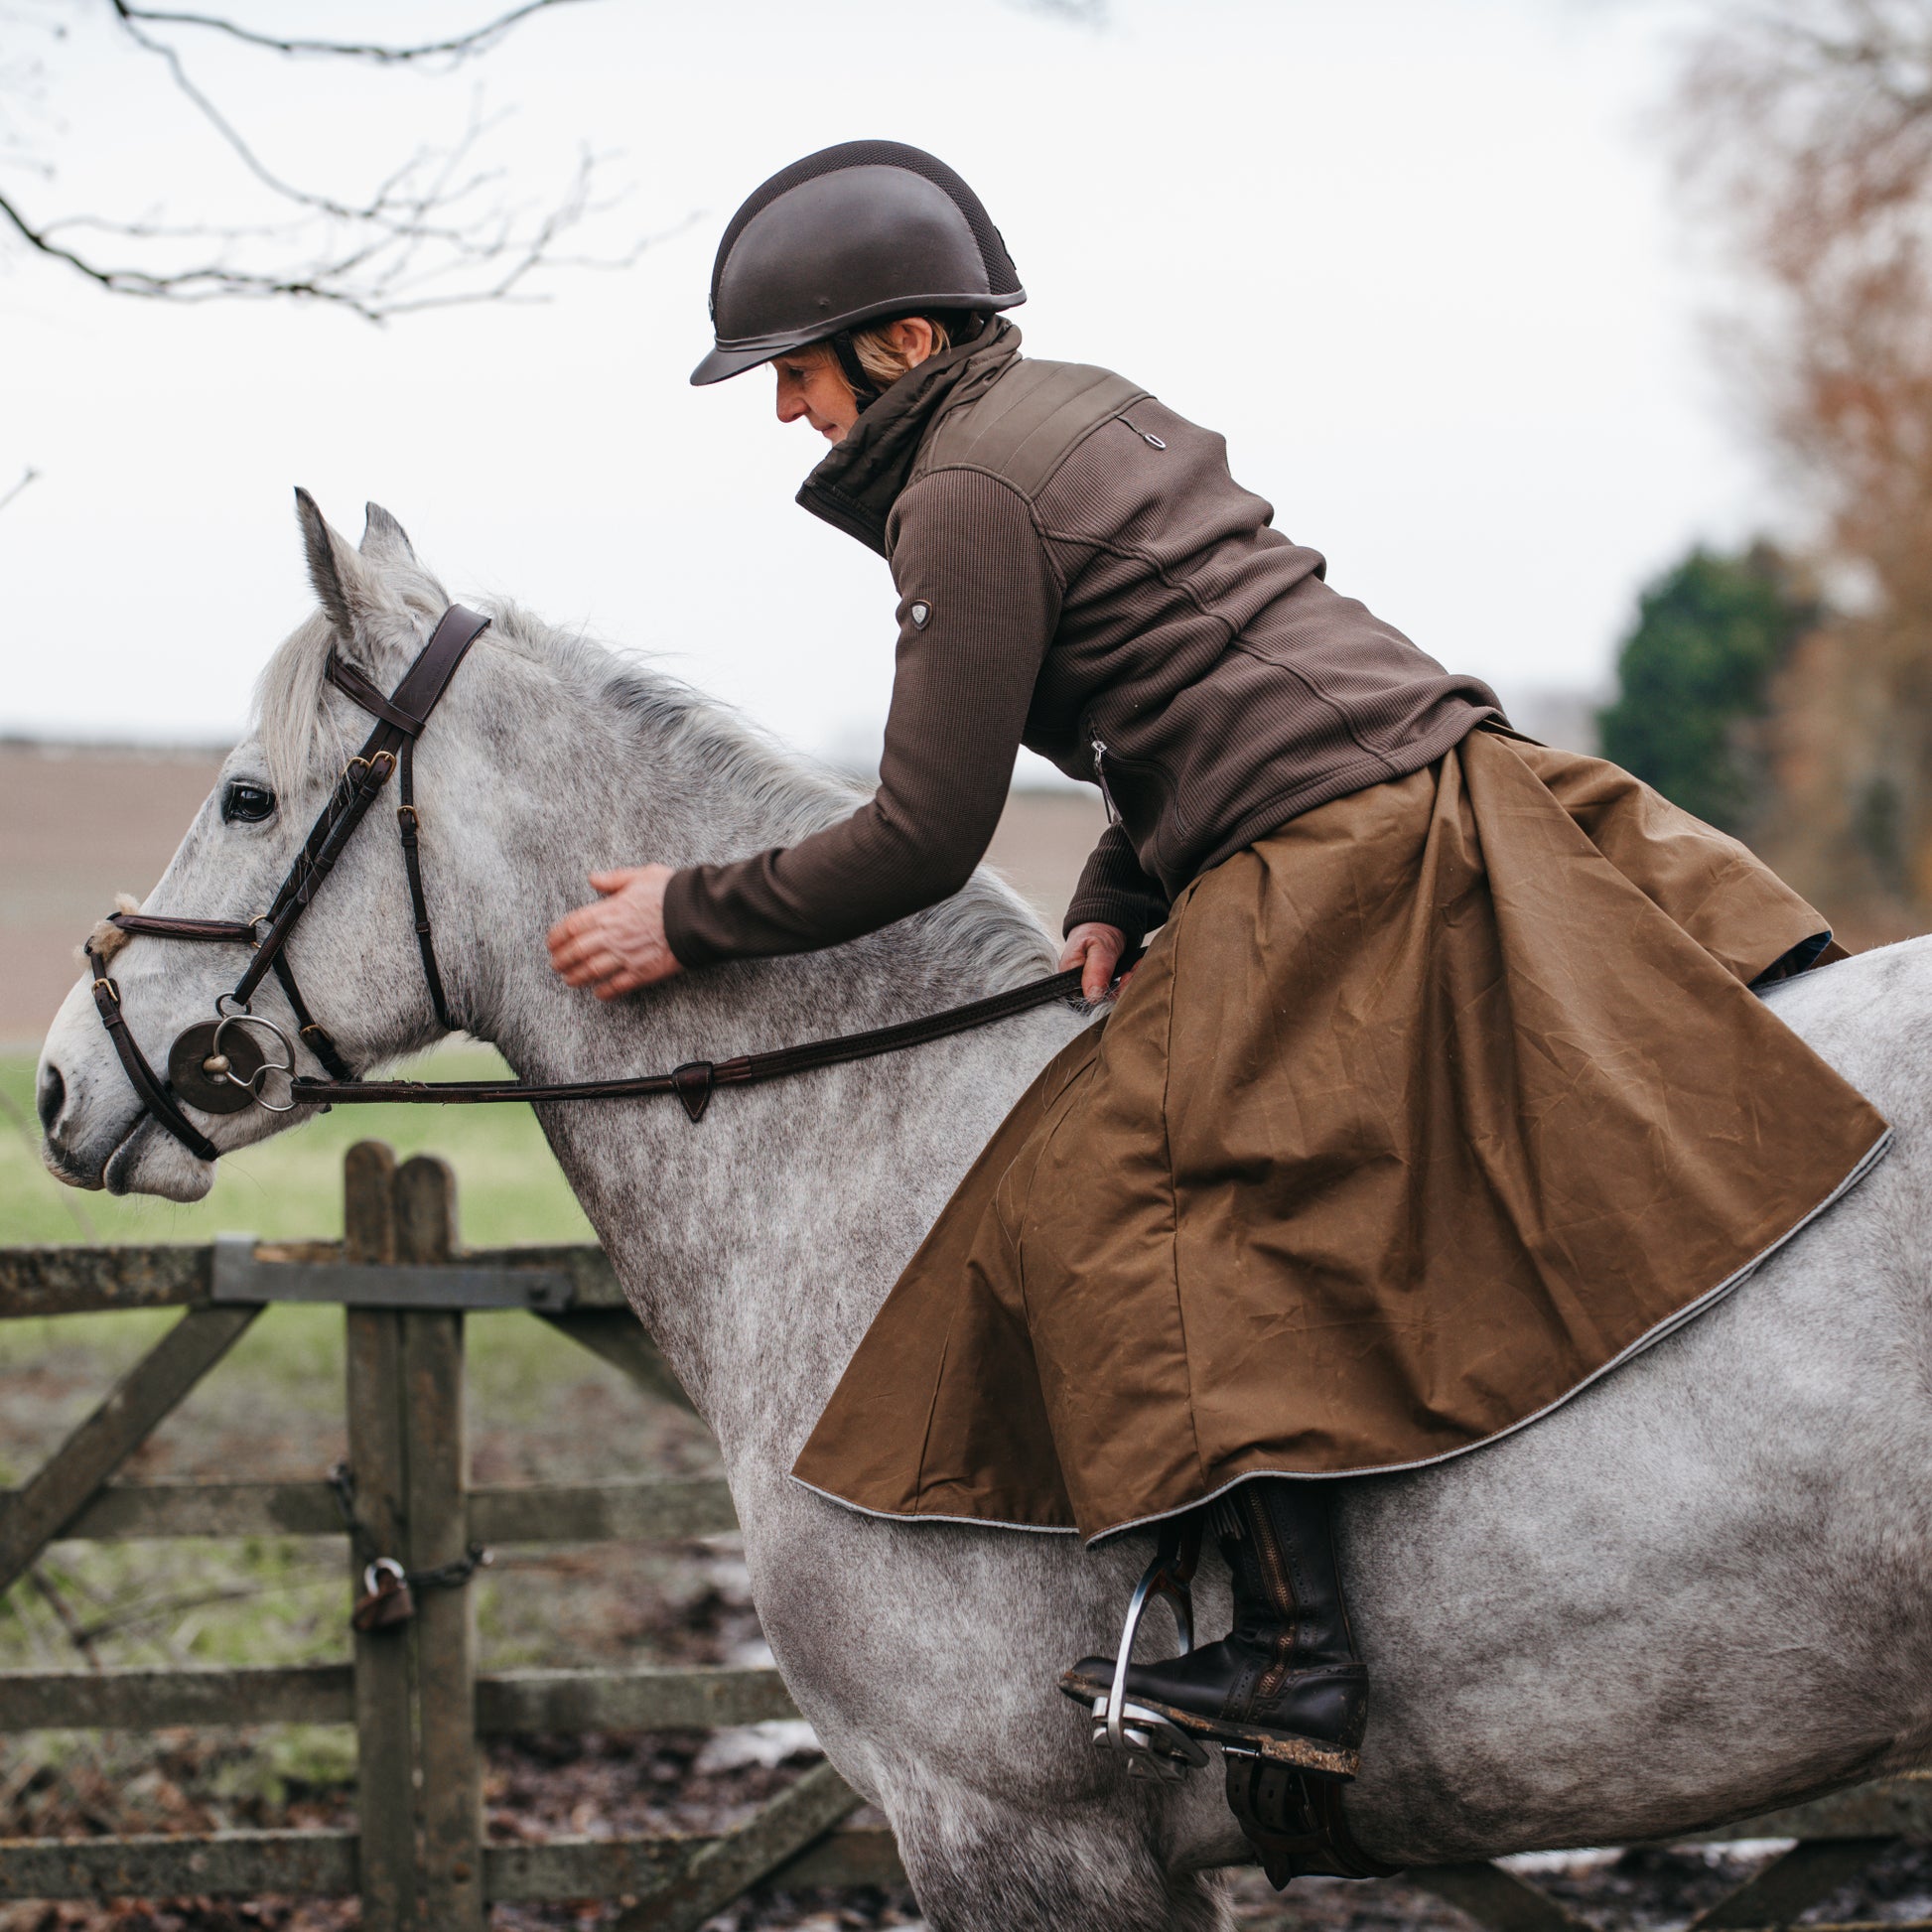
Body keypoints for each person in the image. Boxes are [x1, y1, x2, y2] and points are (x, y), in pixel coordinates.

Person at [547, 141, 1889, 1800]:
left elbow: (918, 831)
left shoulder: (960, 493)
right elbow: (1199, 662)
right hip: (1440, 774)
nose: (783, 413)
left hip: (1327, 850)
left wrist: (684, 916)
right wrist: (1120, 874)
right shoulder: (1093, 407)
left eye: (796, 372)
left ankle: (1288, 1650)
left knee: (1111, 1197)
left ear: (898, 344)